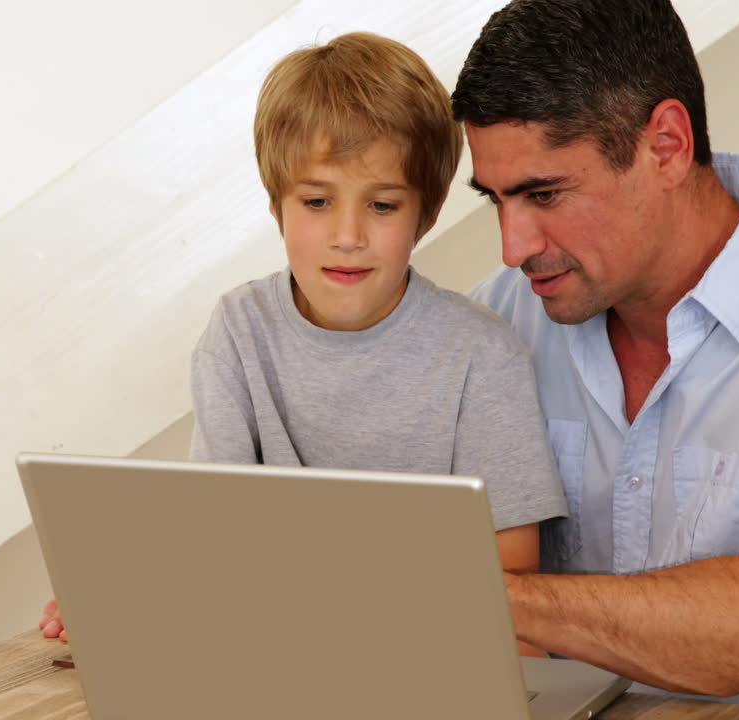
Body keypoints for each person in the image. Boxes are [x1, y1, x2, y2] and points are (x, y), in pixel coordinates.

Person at [42, 31, 569, 652]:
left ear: (425, 217)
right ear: (276, 206)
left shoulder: (483, 354)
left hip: (433, 658)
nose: (347, 235)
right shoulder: (238, 333)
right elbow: (216, 556)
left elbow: (519, 604)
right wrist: (138, 600)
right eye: (317, 201)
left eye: (382, 206)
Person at [450, 0, 739, 717]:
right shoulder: (495, 324)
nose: (515, 246)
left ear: (665, 144)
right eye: (495, 201)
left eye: (544, 194)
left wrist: (473, 593)